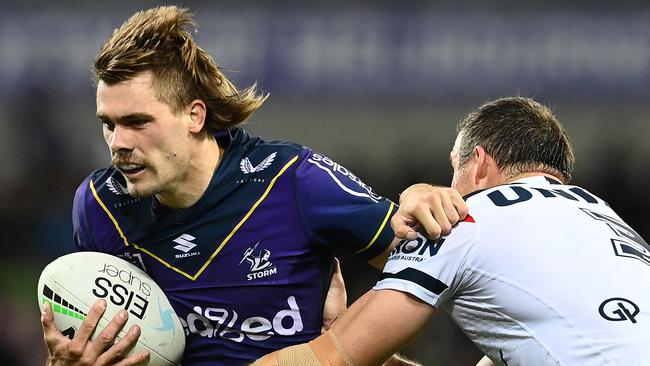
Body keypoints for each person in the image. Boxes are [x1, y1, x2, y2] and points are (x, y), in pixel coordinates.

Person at [38, 6, 467, 366]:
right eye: (108, 125)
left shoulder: (293, 179)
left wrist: (418, 198)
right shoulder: (99, 206)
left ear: (195, 116)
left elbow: (436, 264)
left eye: (136, 122)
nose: (118, 144)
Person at [253, 96, 650, 366]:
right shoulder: (608, 223)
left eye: (452, 169)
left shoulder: (462, 220)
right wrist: (348, 334)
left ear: (477, 165)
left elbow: (329, 361)